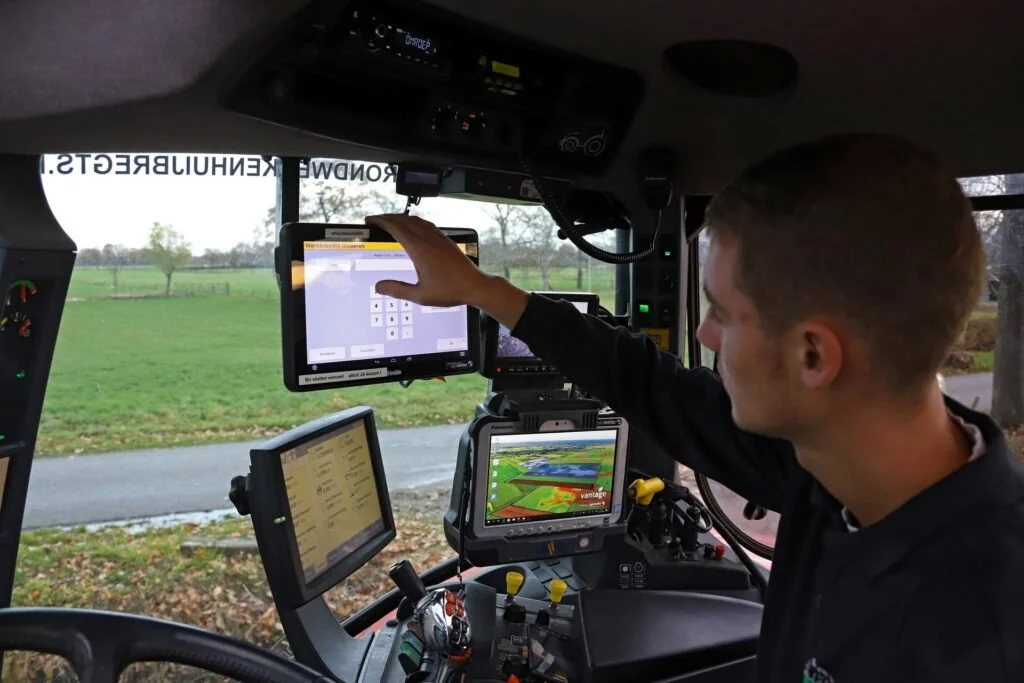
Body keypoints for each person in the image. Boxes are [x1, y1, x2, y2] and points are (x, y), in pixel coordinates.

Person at [367, 133, 1024, 683]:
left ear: (813, 356)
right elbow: (651, 384)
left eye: (722, 313)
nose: (704, 334)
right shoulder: (835, 460)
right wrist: (483, 290)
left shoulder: (978, 635)